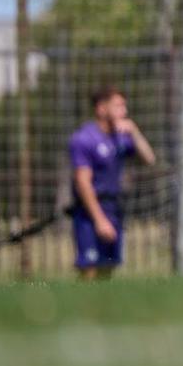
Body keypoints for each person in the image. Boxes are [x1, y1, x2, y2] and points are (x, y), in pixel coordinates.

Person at [67, 87, 156, 279]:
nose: (123, 111)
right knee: (89, 269)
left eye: (124, 106)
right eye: (118, 105)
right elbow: (83, 182)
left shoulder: (120, 137)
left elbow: (149, 158)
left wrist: (135, 131)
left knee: (108, 269)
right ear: (101, 109)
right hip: (90, 210)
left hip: (114, 208)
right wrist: (99, 220)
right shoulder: (84, 139)